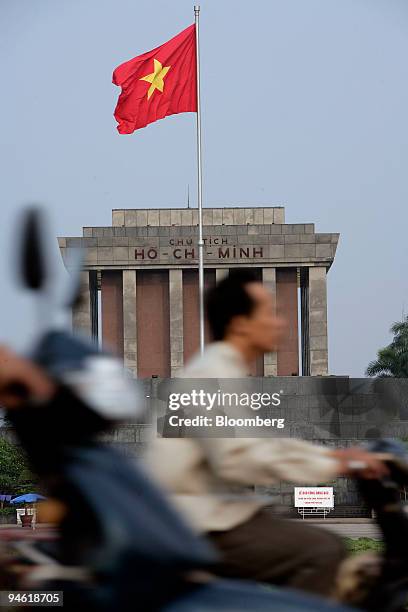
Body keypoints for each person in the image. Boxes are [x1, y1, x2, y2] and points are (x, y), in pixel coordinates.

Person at [146, 269, 388, 599]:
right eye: (270, 312)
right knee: (322, 551)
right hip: (198, 524)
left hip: (202, 516)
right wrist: (334, 464)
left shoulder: (221, 372)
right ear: (240, 323)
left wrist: (333, 457)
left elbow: (258, 445)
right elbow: (239, 458)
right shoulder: (210, 375)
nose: (280, 323)